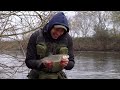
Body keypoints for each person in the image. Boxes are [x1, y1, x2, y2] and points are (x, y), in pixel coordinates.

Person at [25, 12, 75, 79]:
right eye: (56, 29)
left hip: (58, 75)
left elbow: (71, 63)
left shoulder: (67, 39)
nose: (58, 33)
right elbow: (29, 62)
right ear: (51, 26)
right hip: (38, 74)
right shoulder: (36, 36)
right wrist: (42, 64)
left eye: (62, 31)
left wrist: (66, 65)